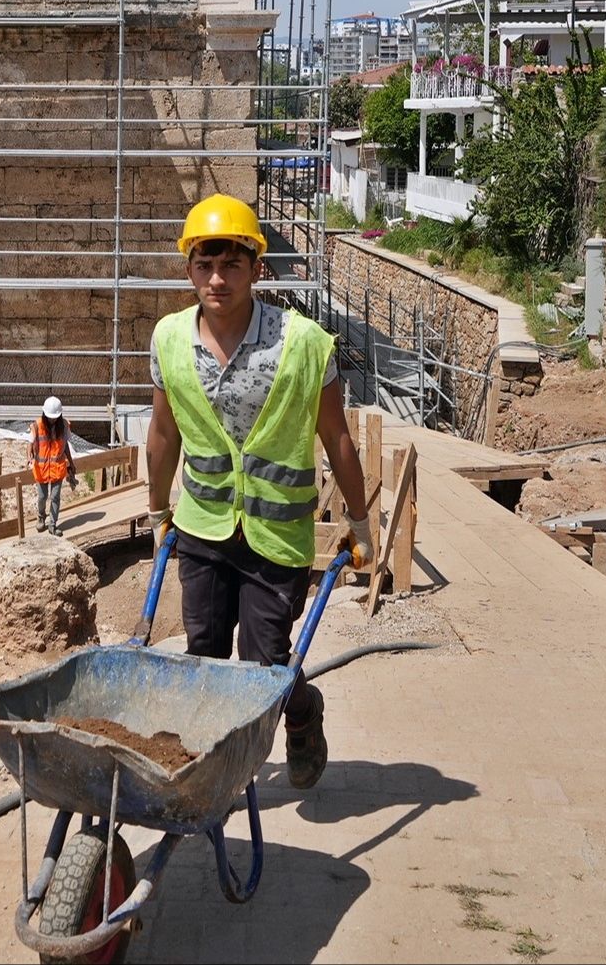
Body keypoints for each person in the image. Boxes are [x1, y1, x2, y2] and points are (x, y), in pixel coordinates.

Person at [146, 193, 374, 790]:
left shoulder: (302, 344)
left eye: (232, 264)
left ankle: (302, 714)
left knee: (264, 663)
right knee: (204, 651)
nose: (217, 278)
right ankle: (214, 761)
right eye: (204, 264)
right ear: (189, 268)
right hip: (202, 525)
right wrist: (155, 511)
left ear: (256, 268)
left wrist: (362, 522)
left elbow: (338, 439)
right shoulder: (170, 340)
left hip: (277, 535)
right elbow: (163, 433)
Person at [30, 395, 78, 535]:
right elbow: (30, 443)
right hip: (41, 469)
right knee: (42, 497)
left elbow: (66, 446)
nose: (52, 419)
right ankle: (41, 517)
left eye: (54, 417)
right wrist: (30, 456)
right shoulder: (37, 425)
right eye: (50, 417)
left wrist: (71, 463)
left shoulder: (63, 425)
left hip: (57, 468)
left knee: (55, 496)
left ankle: (52, 524)